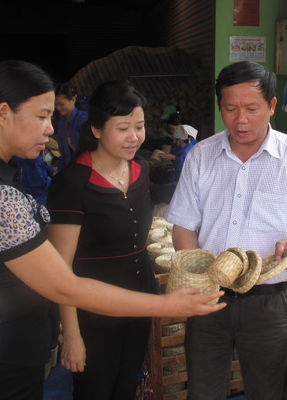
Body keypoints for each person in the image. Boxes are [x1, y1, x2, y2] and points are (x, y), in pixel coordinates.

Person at [0, 60, 225, 400]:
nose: (50, 128)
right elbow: (66, 287)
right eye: (42, 116)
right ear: (2, 113)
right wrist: (167, 306)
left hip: (6, 351)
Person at [166, 60, 287, 400]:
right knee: (202, 389)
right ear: (219, 106)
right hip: (210, 297)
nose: (240, 119)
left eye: (252, 108)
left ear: (271, 106)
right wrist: (197, 276)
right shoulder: (201, 156)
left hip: (269, 299)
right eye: (230, 108)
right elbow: (184, 225)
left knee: (266, 390)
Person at [45, 80, 176, 399]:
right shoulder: (72, 184)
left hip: (139, 303)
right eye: (123, 128)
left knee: (125, 386)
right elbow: (59, 270)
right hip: (93, 313)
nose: (134, 137)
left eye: (140, 127)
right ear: (97, 129)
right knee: (95, 389)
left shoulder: (140, 172)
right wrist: (71, 335)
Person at [55, 82, 88, 171]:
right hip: (70, 167)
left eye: (61, 104)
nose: (58, 108)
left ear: (73, 99)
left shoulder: (84, 119)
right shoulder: (61, 123)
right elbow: (62, 152)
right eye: (56, 105)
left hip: (85, 168)